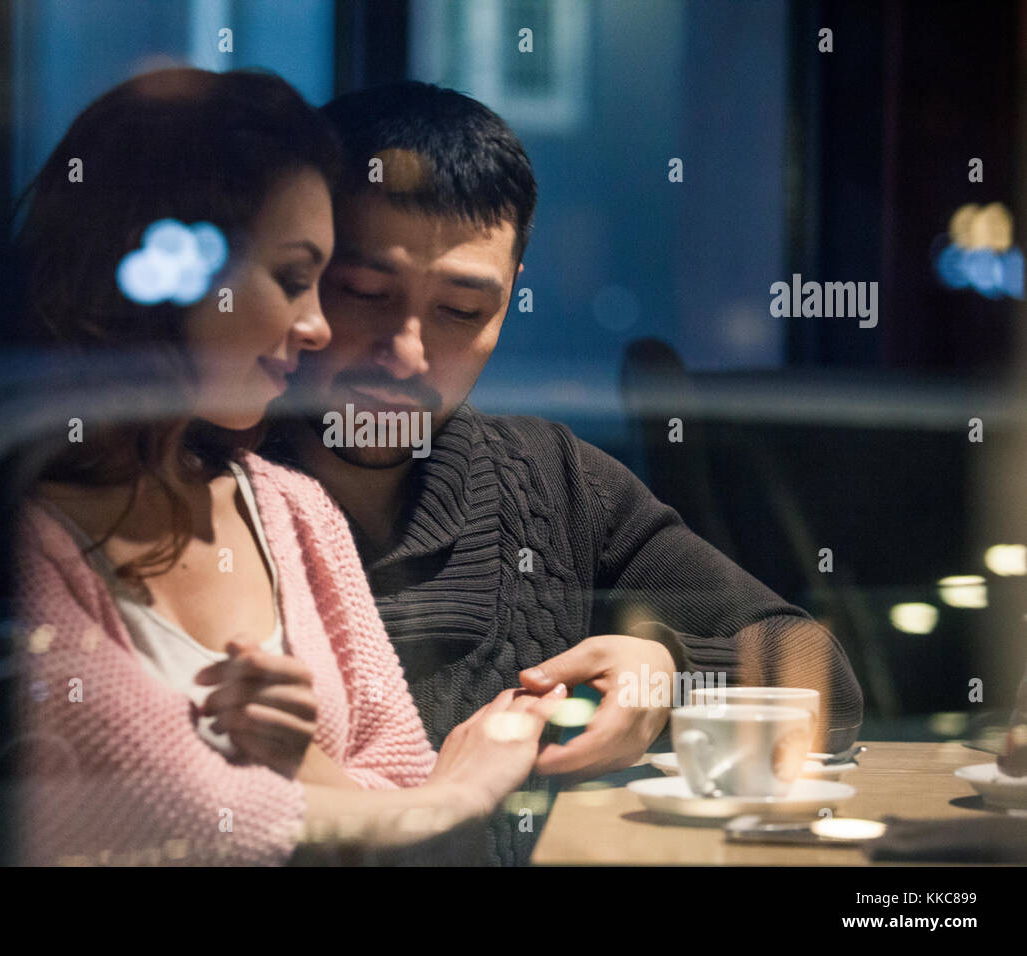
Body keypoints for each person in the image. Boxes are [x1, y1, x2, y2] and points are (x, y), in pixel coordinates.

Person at [262, 81, 866, 864]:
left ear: (510, 299)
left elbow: (823, 678)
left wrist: (665, 676)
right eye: (366, 294)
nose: (406, 353)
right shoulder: (203, 495)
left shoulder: (550, 480)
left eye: (459, 310)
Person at [6, 68, 564, 866]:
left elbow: (394, 782)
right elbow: (181, 809)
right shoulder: (16, 536)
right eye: (301, 281)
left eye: (462, 310)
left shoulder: (290, 507)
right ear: (173, 269)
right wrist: (462, 791)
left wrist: (310, 768)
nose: (314, 326)